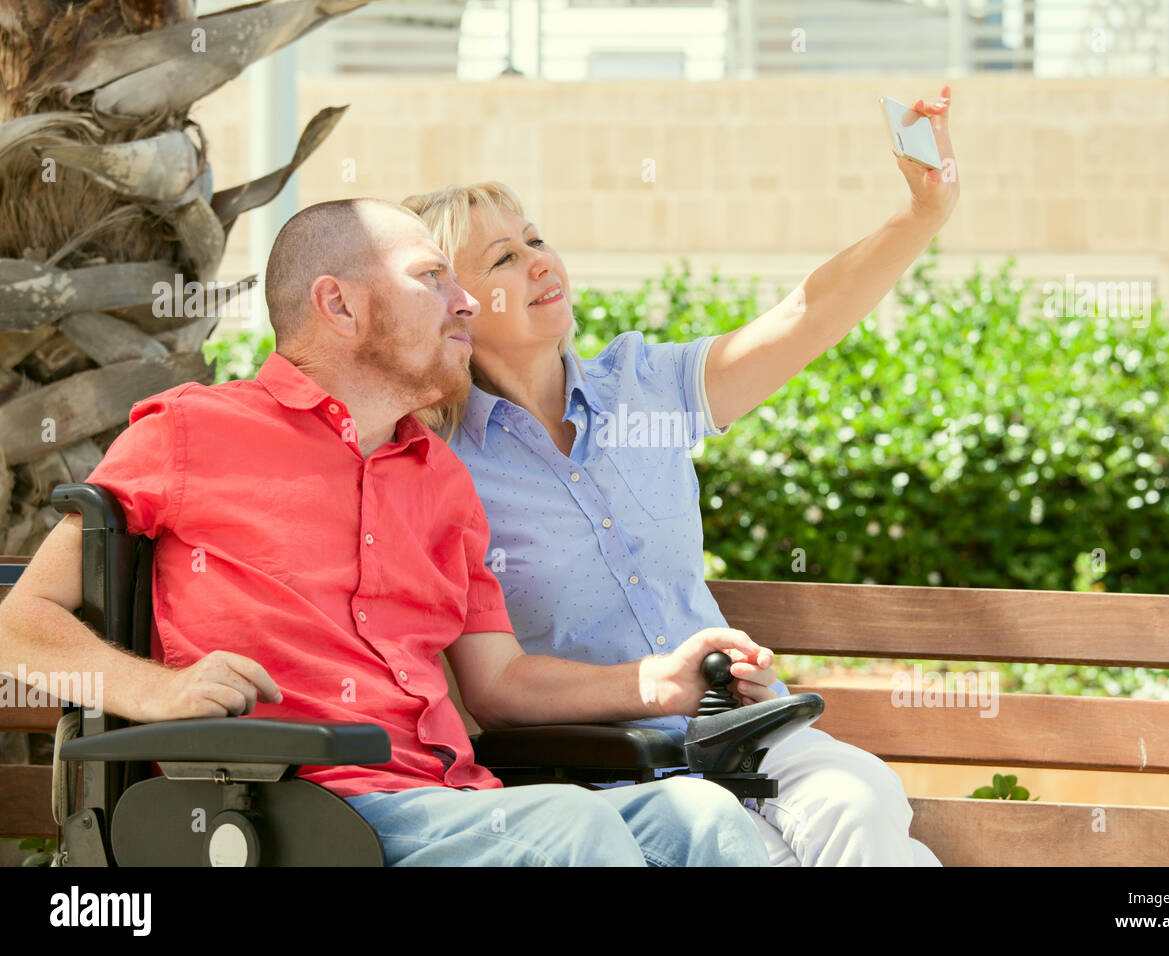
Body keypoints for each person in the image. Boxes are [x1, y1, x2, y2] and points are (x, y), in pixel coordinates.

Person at [0, 198, 773, 867]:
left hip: (455, 807)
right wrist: (155, 691)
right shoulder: (193, 431)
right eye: (431, 277)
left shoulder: (441, 478)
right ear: (339, 305)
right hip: (296, 812)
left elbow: (498, 681)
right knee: (565, 828)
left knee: (702, 817)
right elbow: (19, 625)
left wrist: (653, 685)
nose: (465, 301)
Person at [401, 88, 959, 866]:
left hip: (746, 731)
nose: (540, 262)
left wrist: (922, 214)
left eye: (535, 239)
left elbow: (805, 314)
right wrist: (658, 683)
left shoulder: (645, 387)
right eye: (504, 258)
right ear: (454, 307)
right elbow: (494, 689)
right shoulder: (437, 466)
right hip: (597, 771)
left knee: (859, 799)